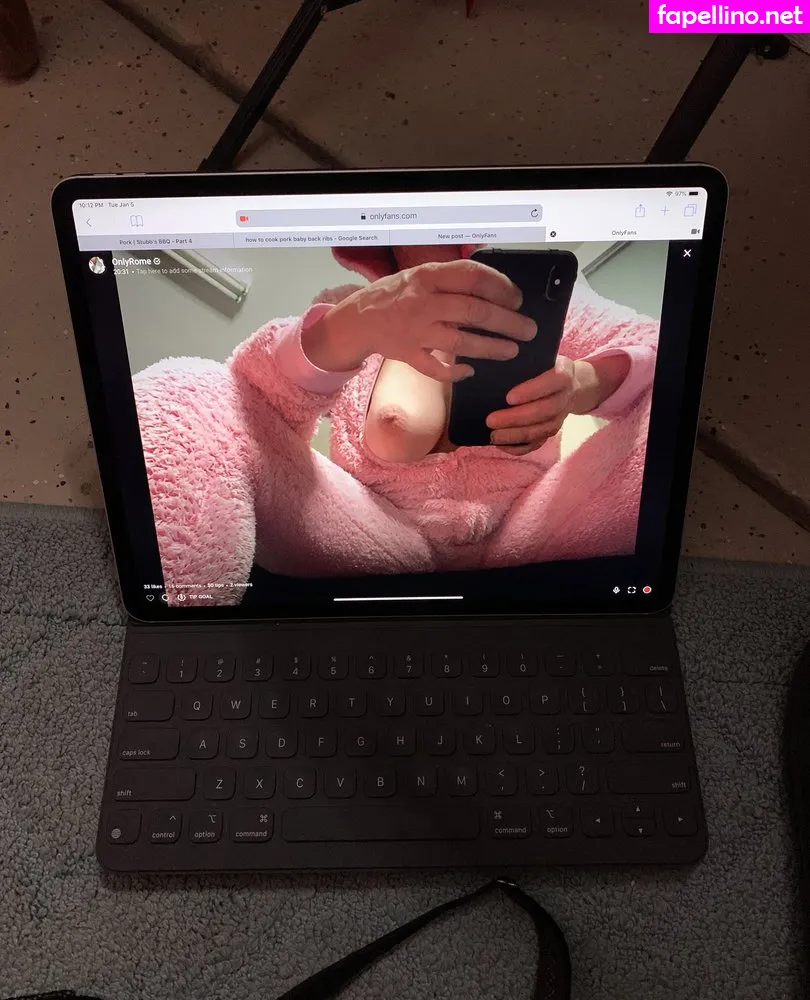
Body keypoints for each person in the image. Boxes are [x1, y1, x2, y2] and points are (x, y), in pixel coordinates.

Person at [132, 244, 658, 605]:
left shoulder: (548, 306)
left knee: (669, 400)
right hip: (375, 537)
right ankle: (180, 653)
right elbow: (262, 404)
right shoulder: (349, 307)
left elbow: (662, 350)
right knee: (187, 393)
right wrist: (350, 328)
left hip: (530, 533)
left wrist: (585, 383)